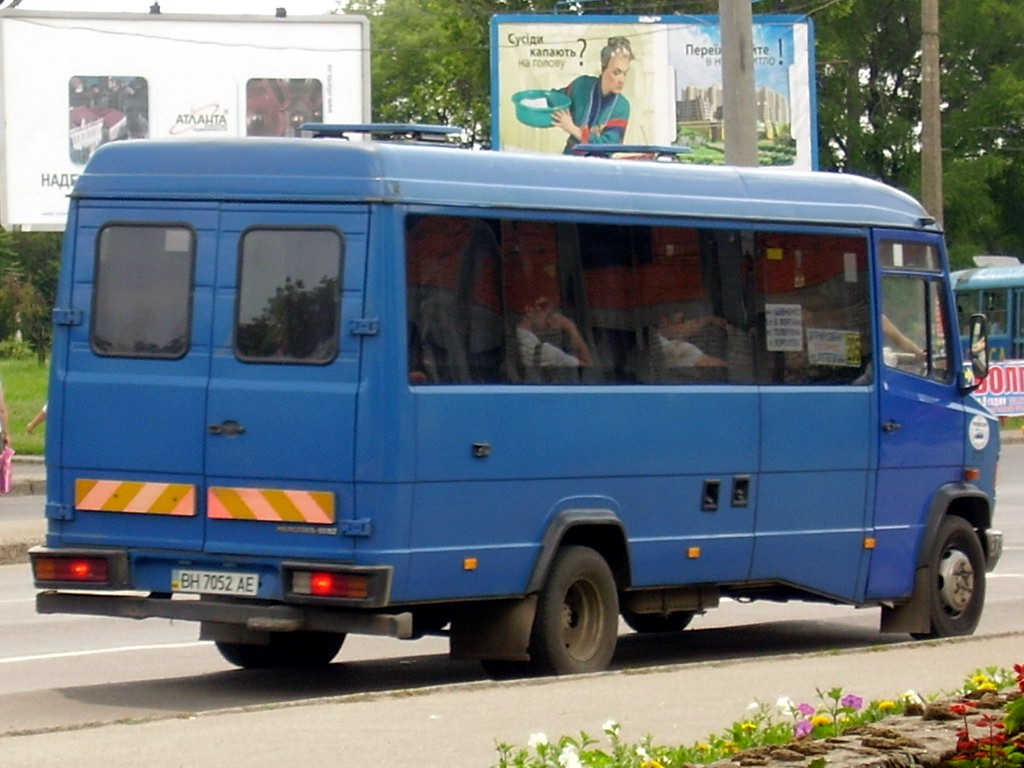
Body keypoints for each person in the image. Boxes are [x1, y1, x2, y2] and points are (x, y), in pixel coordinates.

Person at [553, 36, 634, 155]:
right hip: (570, 160)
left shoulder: (622, 106)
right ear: (603, 68)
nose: (621, 80)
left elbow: (608, 147)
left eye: (624, 73)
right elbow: (555, 100)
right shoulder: (582, 86)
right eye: (616, 73)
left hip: (598, 167)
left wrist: (573, 129)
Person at [516, 297, 593, 370]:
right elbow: (587, 368)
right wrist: (570, 326)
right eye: (543, 306)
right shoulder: (545, 352)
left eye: (552, 309)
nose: (549, 312)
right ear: (529, 310)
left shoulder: (514, 338)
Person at [656, 312, 727, 368]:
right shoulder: (678, 348)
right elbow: (719, 367)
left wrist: (708, 319)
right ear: (663, 322)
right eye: (681, 322)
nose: (692, 326)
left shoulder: (655, 342)